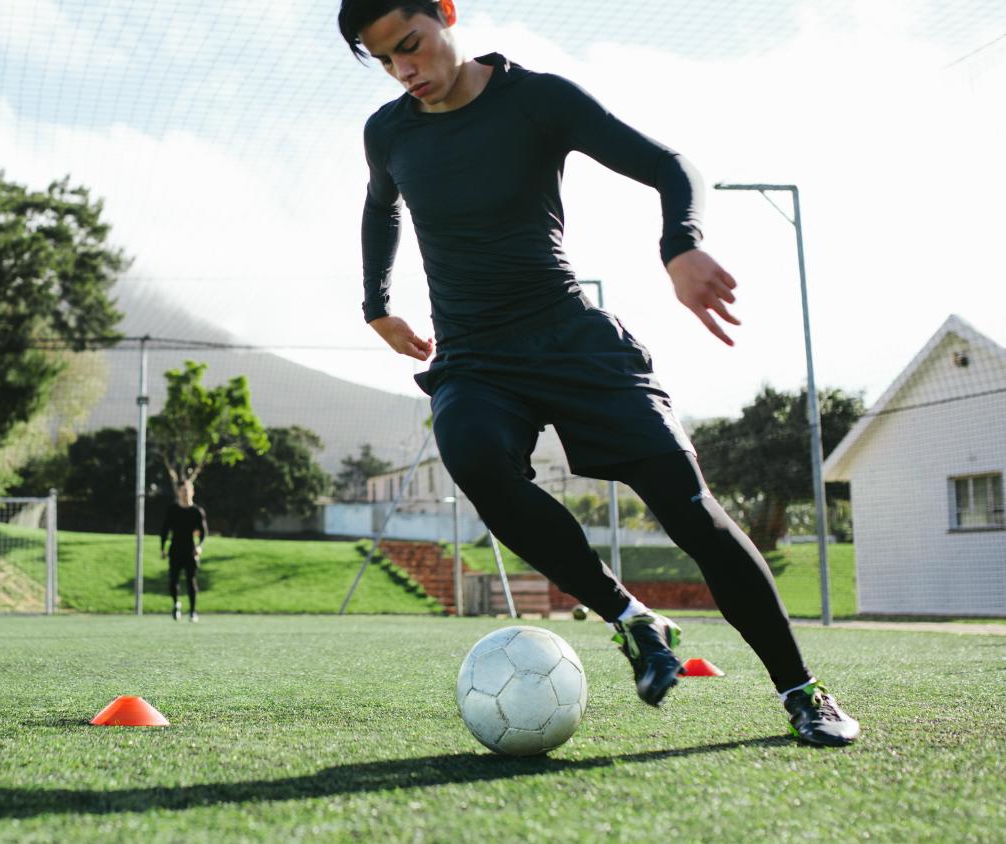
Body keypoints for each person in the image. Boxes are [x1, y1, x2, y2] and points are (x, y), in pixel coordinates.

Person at [338, 0, 858, 746]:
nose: (405, 70)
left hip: (571, 340)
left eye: (412, 46)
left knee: (691, 513)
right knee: (476, 455)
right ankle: (632, 619)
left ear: (446, 14)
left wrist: (680, 245)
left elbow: (670, 165)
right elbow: (379, 207)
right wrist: (376, 305)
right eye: (386, 61)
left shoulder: (538, 101)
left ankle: (804, 691)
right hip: (474, 357)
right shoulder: (387, 131)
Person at [159, 481, 208, 622]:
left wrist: (199, 546)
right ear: (179, 492)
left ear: (192, 492)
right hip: (175, 549)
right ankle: (176, 605)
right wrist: (162, 547)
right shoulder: (172, 510)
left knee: (191, 580)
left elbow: (204, 532)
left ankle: (193, 611)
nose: (185, 493)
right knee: (173, 580)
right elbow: (164, 530)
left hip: (190, 550)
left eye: (188, 490)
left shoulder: (197, 511)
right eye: (183, 490)